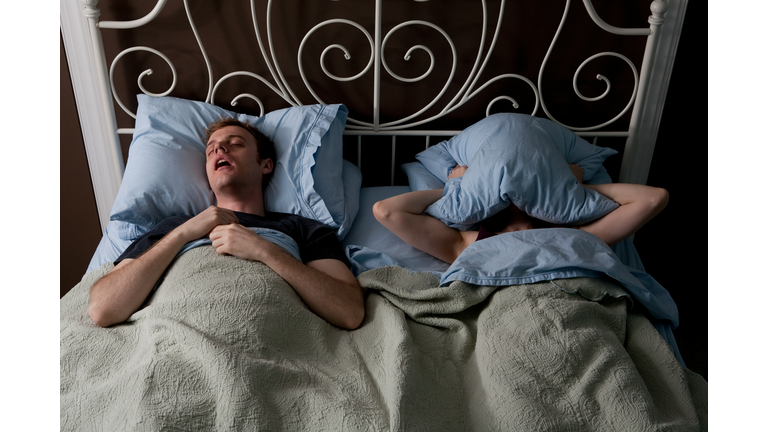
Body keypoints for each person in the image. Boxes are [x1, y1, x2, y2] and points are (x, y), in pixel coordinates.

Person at [89, 118, 364, 330]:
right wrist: (184, 233)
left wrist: (265, 251)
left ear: (265, 165)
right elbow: (103, 309)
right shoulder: (172, 227)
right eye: (211, 150)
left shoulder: (304, 228)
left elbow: (349, 311)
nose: (219, 148)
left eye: (235, 143)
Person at [373, 164, 669, 264]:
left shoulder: (577, 237)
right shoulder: (464, 242)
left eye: (532, 180)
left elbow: (654, 198)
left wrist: (573, 189)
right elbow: (386, 211)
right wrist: (459, 188)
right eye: (497, 183)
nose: (514, 189)